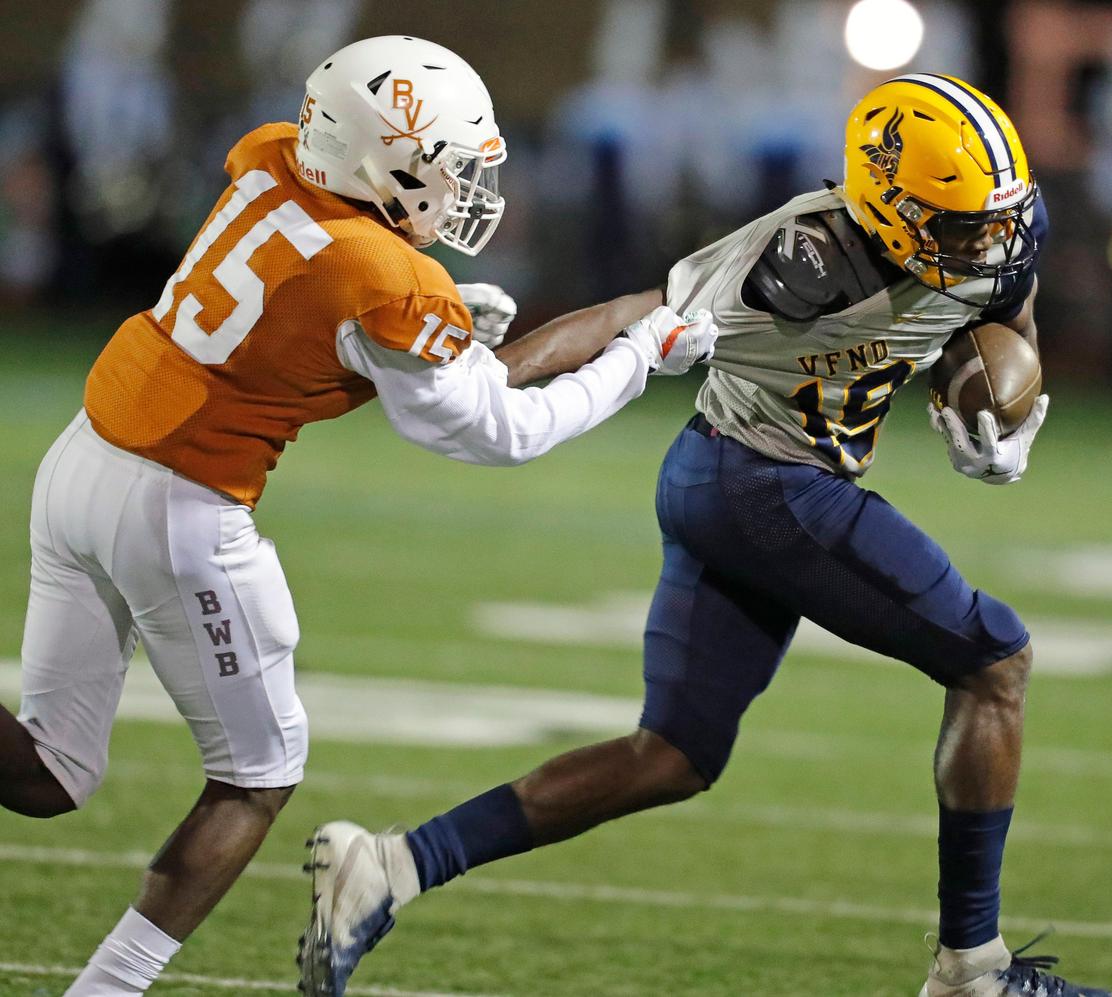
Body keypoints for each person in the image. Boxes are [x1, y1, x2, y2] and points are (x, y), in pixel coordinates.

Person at [297, 74, 1112, 997]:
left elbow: (1009, 300)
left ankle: (392, 865)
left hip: (725, 481)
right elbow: (625, 315)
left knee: (673, 754)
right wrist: (489, 378)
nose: (989, 239)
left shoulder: (994, 231)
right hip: (764, 486)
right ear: (889, 208)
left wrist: (1008, 411)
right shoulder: (800, 257)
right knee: (994, 659)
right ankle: (973, 970)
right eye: (962, 224)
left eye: (996, 218)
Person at [0, 35, 717, 997]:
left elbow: (294, 301)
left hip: (84, 457)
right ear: (389, 159)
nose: (464, 184)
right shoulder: (386, 278)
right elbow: (500, 431)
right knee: (258, 775)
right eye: (451, 163)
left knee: (50, 773)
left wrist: (427, 322)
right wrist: (640, 359)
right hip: (177, 500)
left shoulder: (274, 159)